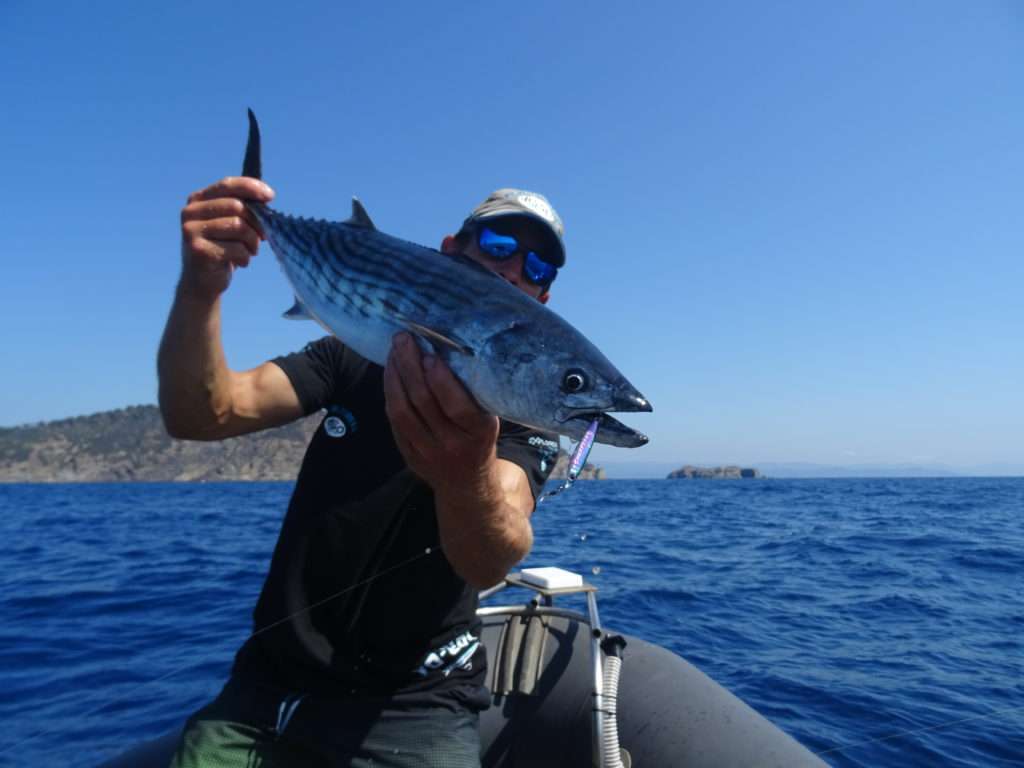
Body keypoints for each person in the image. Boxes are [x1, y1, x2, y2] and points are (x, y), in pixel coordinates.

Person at [159, 176, 567, 767]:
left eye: (538, 268)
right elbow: (203, 413)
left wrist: (463, 476)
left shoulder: (528, 419)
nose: (514, 271)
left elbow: (490, 557)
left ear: (543, 300)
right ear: (451, 250)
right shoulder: (356, 350)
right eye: (499, 245)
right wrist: (200, 290)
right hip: (266, 689)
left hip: (419, 705)